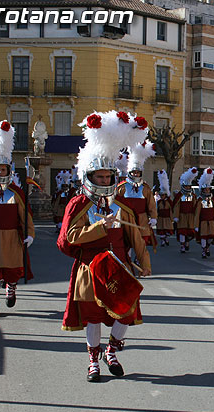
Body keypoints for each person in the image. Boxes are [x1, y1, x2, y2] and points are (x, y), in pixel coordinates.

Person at [57, 111, 151, 382]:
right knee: (93, 316)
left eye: (108, 177)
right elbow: (70, 237)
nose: (105, 181)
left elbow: (136, 239)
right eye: (99, 177)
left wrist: (144, 263)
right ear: (89, 176)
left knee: (126, 310)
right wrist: (100, 227)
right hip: (91, 269)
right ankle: (93, 361)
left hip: (120, 267)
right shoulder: (78, 204)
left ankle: (112, 350)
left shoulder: (121, 206)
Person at [0, 121, 34, 316]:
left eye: (3, 169)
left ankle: (11, 288)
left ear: (8, 171)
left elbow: (25, 216)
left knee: (12, 269)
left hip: (12, 237)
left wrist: (29, 234)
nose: (0, 172)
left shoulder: (17, 192)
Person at [116, 139, 158, 253]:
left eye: (138, 173)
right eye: (134, 172)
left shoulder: (145, 188)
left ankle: (140, 260)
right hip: (126, 218)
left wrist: (153, 217)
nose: (136, 174)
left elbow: (151, 204)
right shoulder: (122, 187)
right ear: (130, 172)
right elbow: (115, 203)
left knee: (141, 241)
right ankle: (128, 259)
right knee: (127, 241)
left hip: (142, 219)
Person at [173, 167, 199, 253]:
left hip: (191, 216)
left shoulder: (193, 195)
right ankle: (182, 245)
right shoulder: (180, 195)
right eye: (186, 186)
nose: (188, 187)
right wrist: (176, 216)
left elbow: (196, 206)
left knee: (190, 232)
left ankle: (187, 242)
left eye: (189, 186)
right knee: (182, 231)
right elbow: (176, 206)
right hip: (182, 216)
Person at [196, 168, 214, 259]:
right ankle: (203, 250)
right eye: (205, 190)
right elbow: (197, 213)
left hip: (211, 221)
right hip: (203, 222)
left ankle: (207, 246)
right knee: (203, 237)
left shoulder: (212, 200)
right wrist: (196, 225)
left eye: (208, 190)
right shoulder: (200, 201)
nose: (207, 191)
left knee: (211, 236)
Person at [155, 170, 174, 247]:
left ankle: (166, 239)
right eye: (161, 195)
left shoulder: (169, 201)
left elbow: (171, 209)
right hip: (160, 218)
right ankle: (163, 241)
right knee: (161, 230)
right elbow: (157, 209)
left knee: (167, 230)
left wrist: (172, 217)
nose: (162, 196)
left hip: (167, 218)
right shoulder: (159, 202)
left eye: (163, 195)